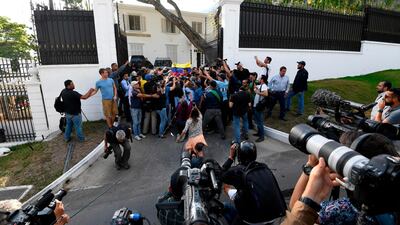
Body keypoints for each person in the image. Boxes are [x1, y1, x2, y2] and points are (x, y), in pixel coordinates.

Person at [221, 141, 286, 225]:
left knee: (226, 204)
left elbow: (221, 175)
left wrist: (231, 157)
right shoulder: (263, 166)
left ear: (239, 155)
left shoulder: (237, 171)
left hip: (252, 221)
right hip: (272, 216)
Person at [253, 75, 269, 142]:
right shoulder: (261, 85)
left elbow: (266, 94)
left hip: (259, 106)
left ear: (262, 80)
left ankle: (262, 136)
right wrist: (254, 81)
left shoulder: (264, 86)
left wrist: (258, 92)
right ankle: (259, 133)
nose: (259, 79)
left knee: (260, 122)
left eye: (260, 78)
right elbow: (255, 87)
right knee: (257, 121)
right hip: (256, 106)